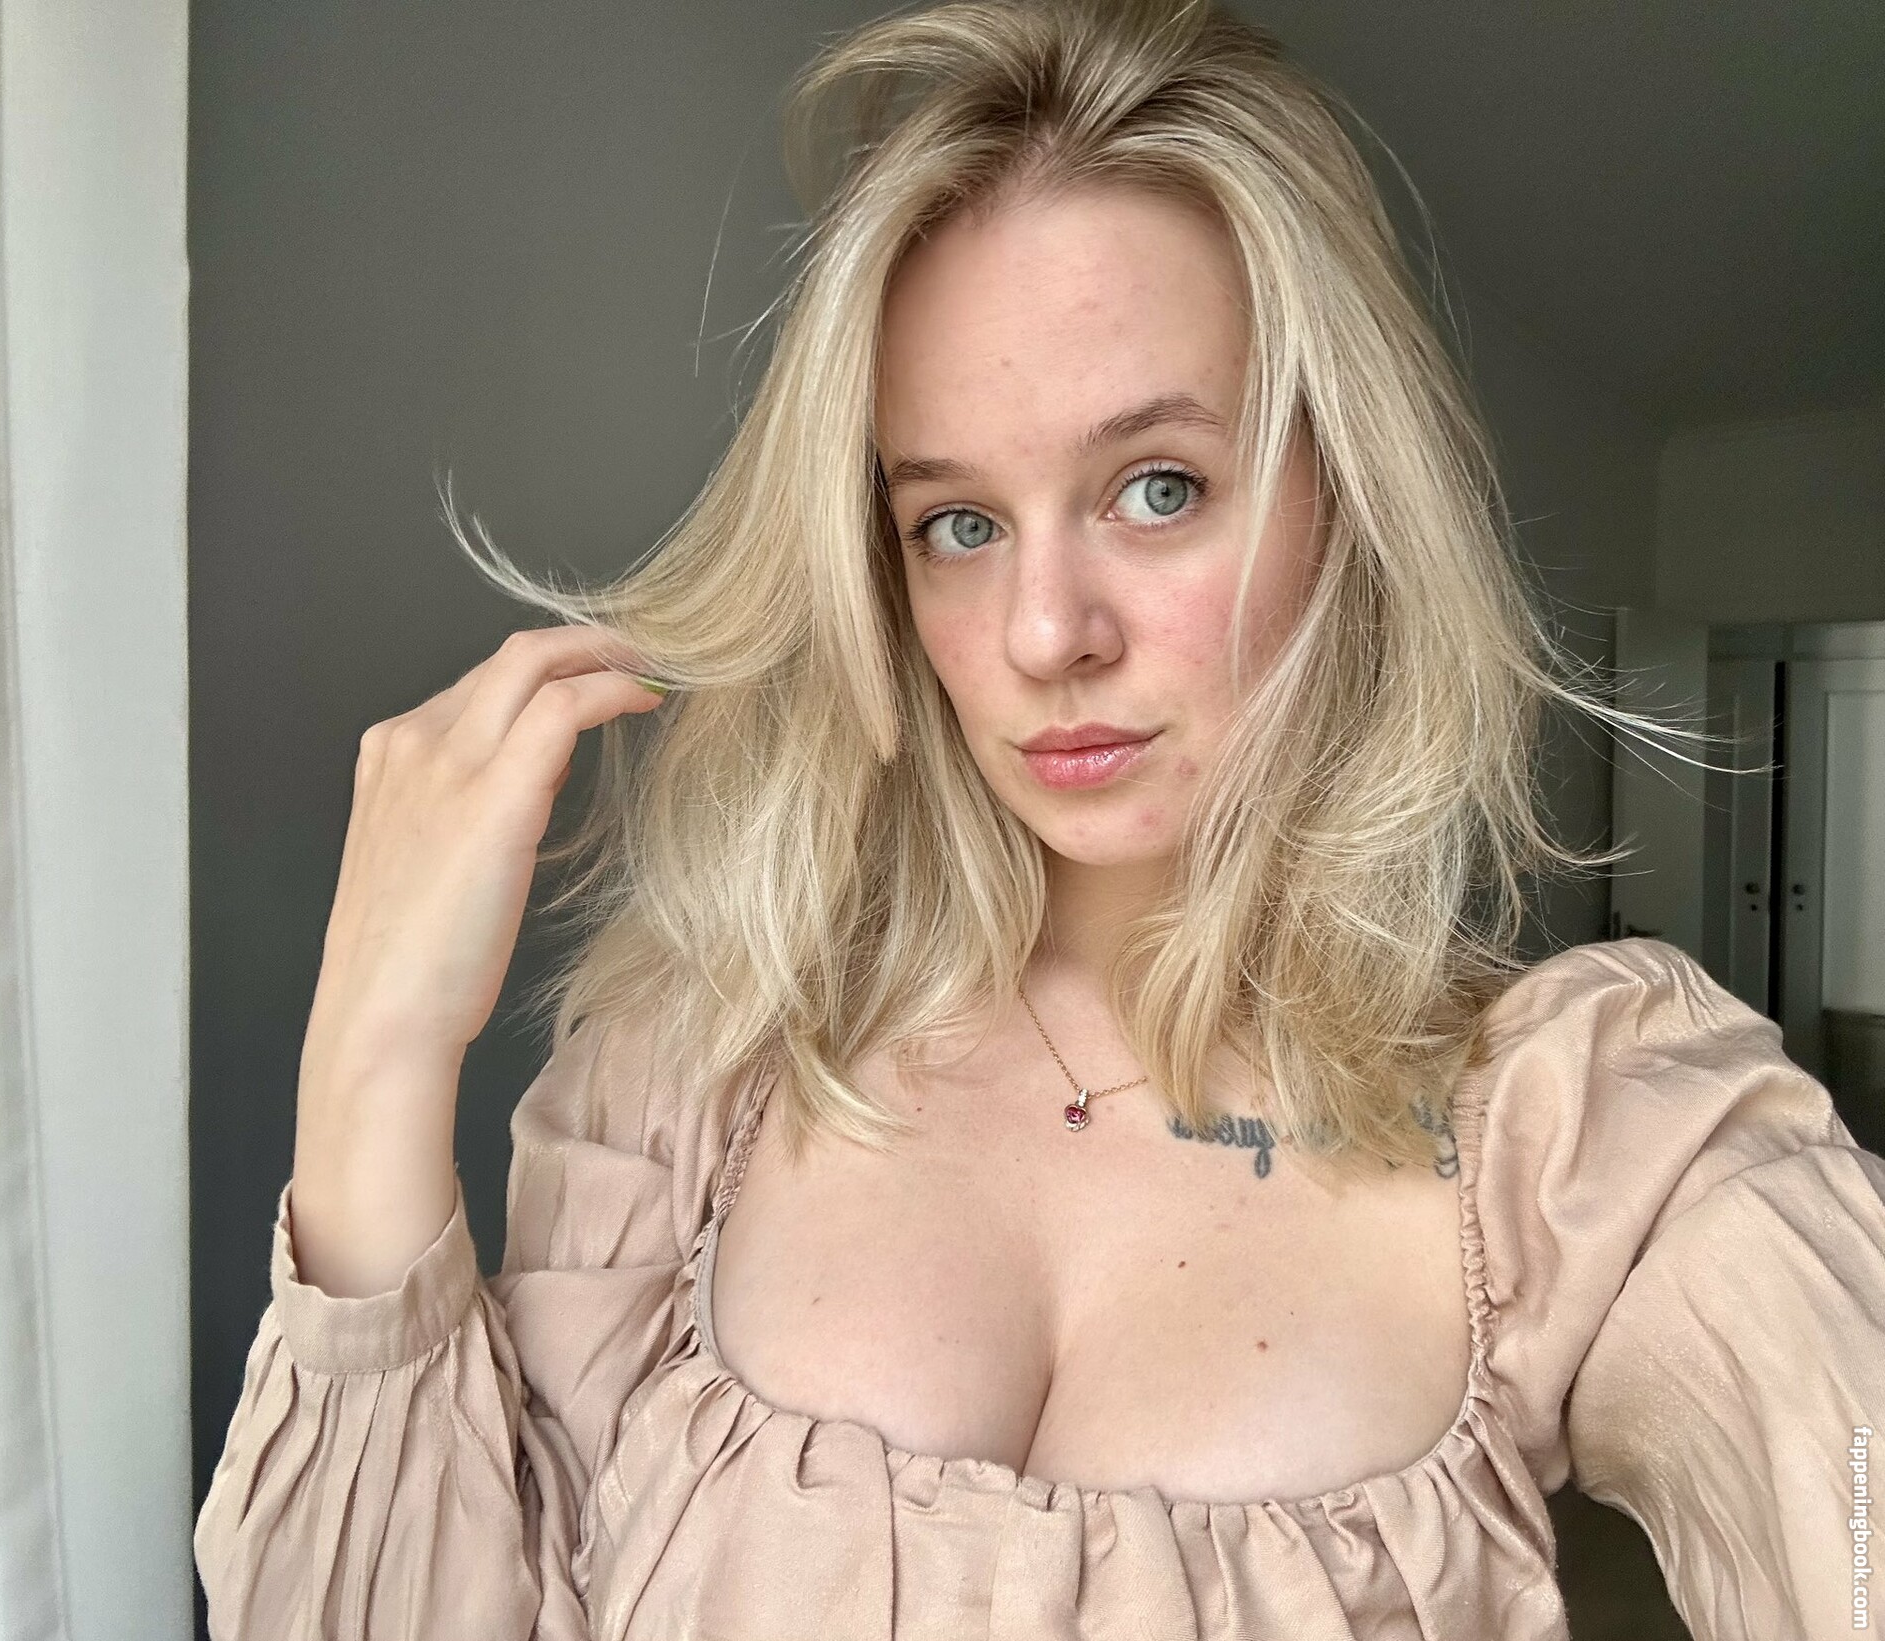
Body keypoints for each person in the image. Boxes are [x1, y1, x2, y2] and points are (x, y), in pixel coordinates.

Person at [193, 1, 1885, 1636]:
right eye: (958, 523)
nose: (1043, 634)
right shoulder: (691, 1082)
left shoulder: (1581, 1139)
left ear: (1349, 500)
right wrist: (371, 1057)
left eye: (1157, 487)